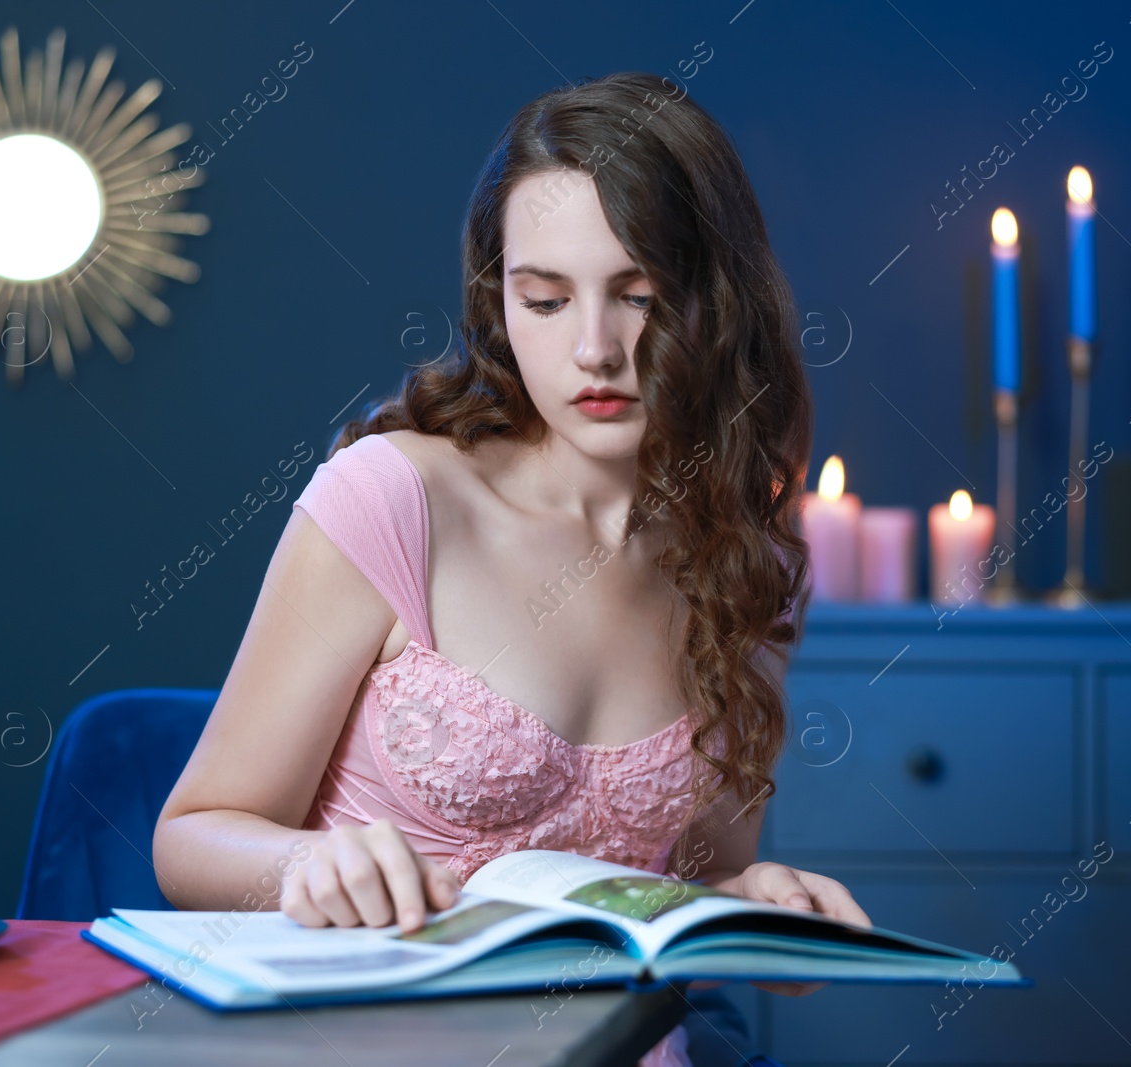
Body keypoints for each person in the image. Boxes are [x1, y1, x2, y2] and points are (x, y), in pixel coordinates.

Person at [152, 70, 872, 1067]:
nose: (594, 349)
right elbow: (191, 833)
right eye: (545, 299)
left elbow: (694, 885)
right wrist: (303, 862)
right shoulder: (394, 498)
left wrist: (753, 907)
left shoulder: (746, 562)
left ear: (718, 304)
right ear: (499, 303)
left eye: (641, 297)